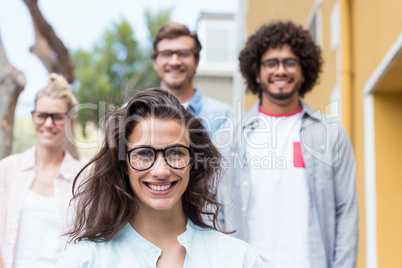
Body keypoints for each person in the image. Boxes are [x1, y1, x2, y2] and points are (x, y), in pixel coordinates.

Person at [57, 88, 263, 267]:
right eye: (144, 154)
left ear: (193, 161)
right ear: (124, 165)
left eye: (175, 153)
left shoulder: (239, 259)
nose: (161, 171)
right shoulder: (84, 261)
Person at [216, 21, 358, 267]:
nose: (280, 70)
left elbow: (346, 212)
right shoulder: (228, 136)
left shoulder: (330, 133)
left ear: (304, 71)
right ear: (256, 72)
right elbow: (216, 213)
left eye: (290, 62)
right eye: (271, 63)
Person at [0, 73, 83, 268]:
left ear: (71, 122)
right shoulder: (7, 169)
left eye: (56, 117)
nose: (48, 123)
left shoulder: (84, 178)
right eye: (42, 115)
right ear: (33, 117)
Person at [151, 22, 235, 137]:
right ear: (155, 62)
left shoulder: (224, 117)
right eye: (166, 53)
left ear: (196, 61)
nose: (175, 62)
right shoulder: (131, 111)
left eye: (184, 53)